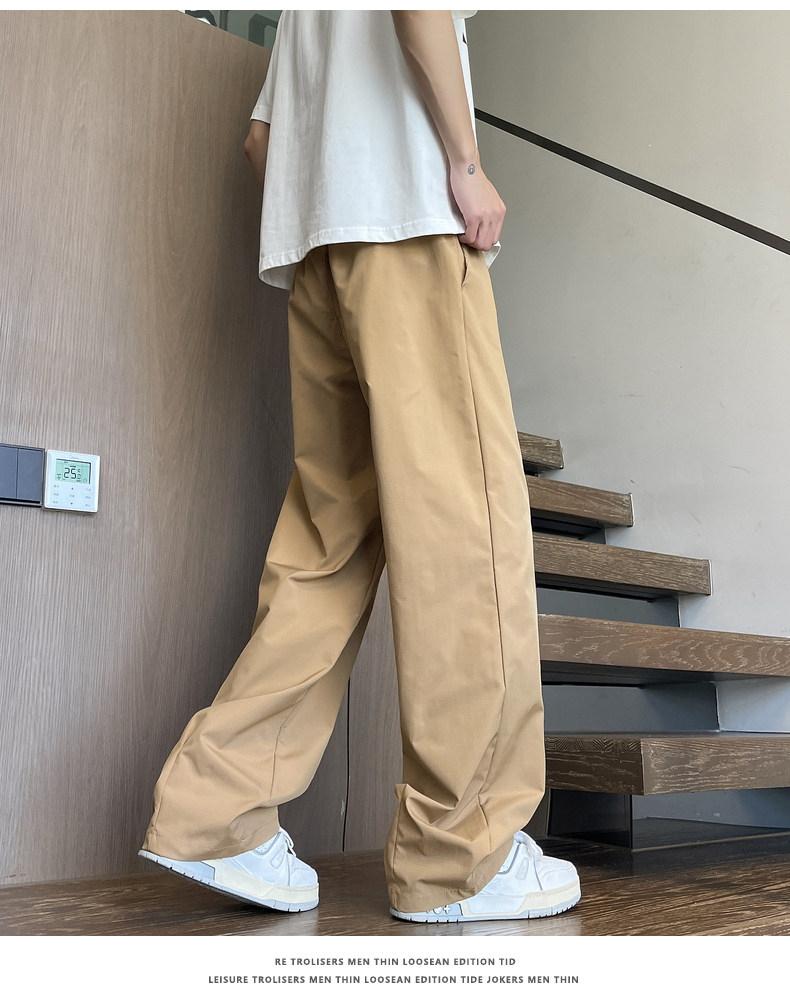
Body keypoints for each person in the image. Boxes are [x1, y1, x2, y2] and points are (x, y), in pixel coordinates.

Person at [138, 9, 581, 925]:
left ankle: (216, 813)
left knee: (327, 545)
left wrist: (328, 211)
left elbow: (261, 142)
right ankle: (461, 854)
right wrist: (465, 165)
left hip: (315, 254)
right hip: (409, 229)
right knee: (467, 534)